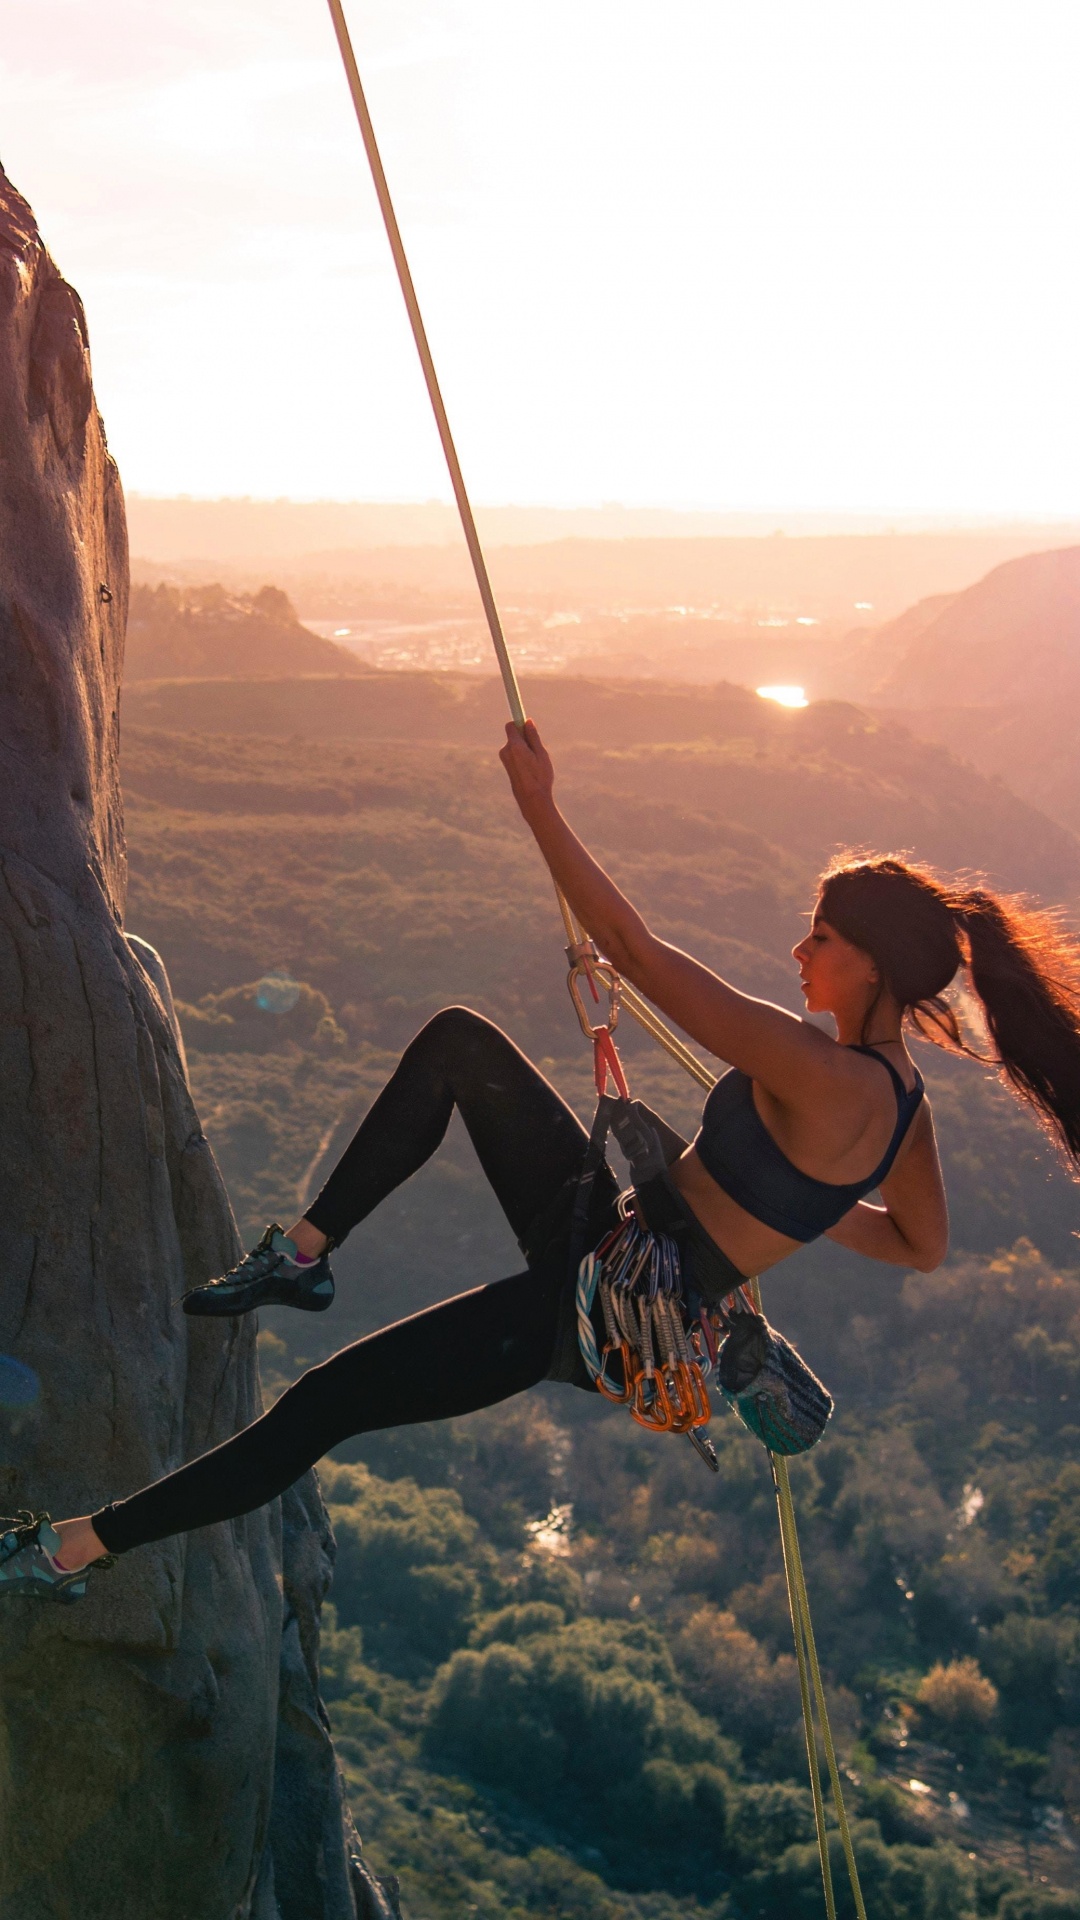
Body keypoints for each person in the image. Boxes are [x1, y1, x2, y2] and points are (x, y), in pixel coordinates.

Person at [5, 720, 1080, 1599]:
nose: (800, 954)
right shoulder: (899, 1105)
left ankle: (69, 1551)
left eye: (821, 940)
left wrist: (539, 807)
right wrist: (809, 1203)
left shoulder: (818, 1070)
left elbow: (651, 953)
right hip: (616, 1235)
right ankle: (304, 1253)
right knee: (462, 1045)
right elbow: (921, 1245)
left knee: (323, 1406)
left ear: (876, 963)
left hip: (596, 1306)